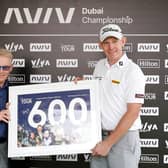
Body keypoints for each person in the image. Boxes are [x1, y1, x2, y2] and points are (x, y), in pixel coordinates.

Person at [89, 24, 146, 168]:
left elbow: (133, 112)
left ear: (123, 41)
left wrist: (108, 143)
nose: (111, 47)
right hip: (99, 138)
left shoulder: (133, 71)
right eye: (106, 43)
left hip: (123, 139)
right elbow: (97, 94)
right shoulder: (99, 66)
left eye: (114, 41)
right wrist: (78, 86)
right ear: (100, 45)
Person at [0, 48, 13, 168]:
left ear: (11, 68)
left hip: (3, 145)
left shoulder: (15, 91)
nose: (1, 71)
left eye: (5, 67)